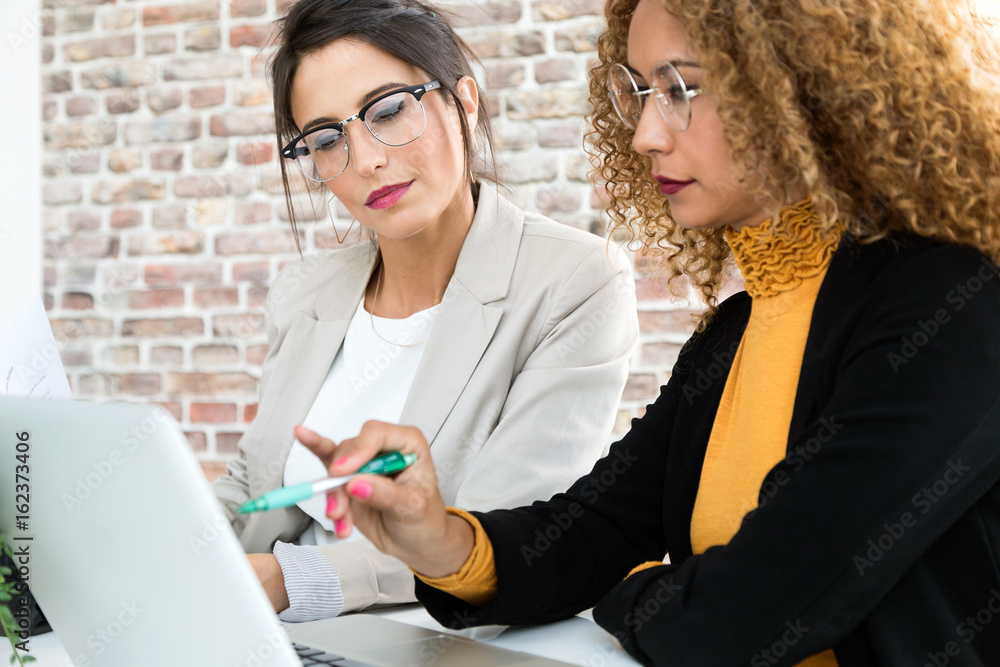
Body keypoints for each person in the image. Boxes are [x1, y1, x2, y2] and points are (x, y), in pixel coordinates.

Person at [298, 0, 1000, 663]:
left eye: (680, 90)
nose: (645, 133)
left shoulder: (954, 307)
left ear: (805, 86)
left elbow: (734, 622)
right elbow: (591, 529)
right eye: (638, 92)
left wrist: (627, 592)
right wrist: (439, 537)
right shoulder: (733, 334)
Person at [212, 0, 639, 621]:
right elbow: (250, 484)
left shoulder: (574, 282)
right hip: (261, 629)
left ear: (464, 101)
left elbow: (507, 530)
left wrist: (288, 580)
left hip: (435, 635)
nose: (366, 160)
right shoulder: (305, 290)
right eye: (327, 140)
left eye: (387, 111)